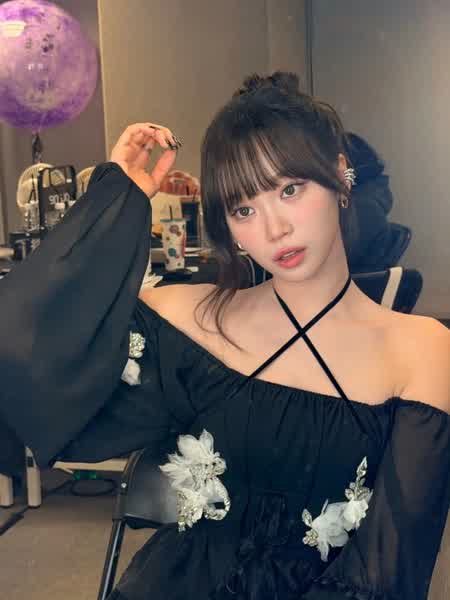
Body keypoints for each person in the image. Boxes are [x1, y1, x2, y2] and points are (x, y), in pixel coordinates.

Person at [0, 72, 449, 600]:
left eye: (290, 189)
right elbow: (31, 347)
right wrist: (118, 200)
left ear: (338, 175)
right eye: (244, 209)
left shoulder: (420, 350)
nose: (274, 229)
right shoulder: (196, 318)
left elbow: (388, 572)